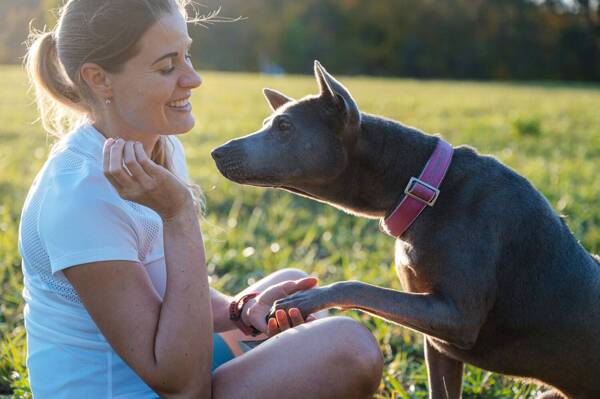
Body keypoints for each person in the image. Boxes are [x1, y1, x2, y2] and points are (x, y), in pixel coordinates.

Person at [19, 0, 384, 397]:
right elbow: (184, 386)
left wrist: (239, 310)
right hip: (144, 388)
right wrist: (179, 216)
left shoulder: (156, 143)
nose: (193, 78)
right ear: (100, 79)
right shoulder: (79, 198)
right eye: (167, 66)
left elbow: (165, 296)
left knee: (294, 293)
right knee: (349, 348)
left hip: (170, 366)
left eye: (187, 55)